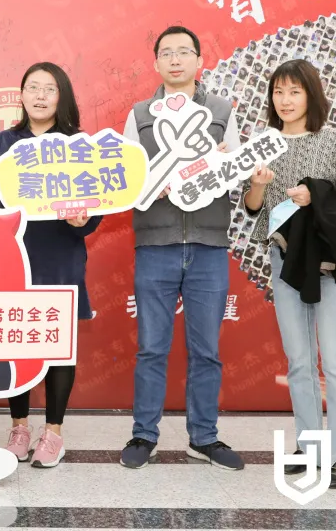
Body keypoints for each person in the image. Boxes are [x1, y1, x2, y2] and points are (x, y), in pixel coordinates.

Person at [119, 25, 244, 471]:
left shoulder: (221, 111)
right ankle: (144, 434)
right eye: (167, 52)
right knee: (152, 348)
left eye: (184, 52)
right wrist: (153, 186)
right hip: (156, 244)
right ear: (156, 63)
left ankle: (204, 437)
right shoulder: (140, 114)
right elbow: (125, 176)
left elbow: (235, 171)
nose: (175, 59)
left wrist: (221, 165)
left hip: (208, 245)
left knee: (206, 350)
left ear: (199, 61)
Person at [242, 59, 336, 489]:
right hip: (285, 260)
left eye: (294, 91)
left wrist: (315, 194)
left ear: (311, 96)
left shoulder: (334, 140)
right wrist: (258, 185)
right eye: (278, 92)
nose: (286, 100)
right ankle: (310, 444)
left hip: (330, 264)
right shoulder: (263, 145)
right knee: (299, 360)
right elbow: (253, 209)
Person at [0, 62, 102, 469]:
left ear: (61, 96)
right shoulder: (3, 142)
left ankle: (53, 433)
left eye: (48, 89)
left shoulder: (78, 144)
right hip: (13, 257)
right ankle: (19, 428)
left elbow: (97, 204)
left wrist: (84, 219)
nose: (39, 95)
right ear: (21, 95)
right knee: (16, 344)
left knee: (59, 348)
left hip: (60, 255)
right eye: (32, 87)